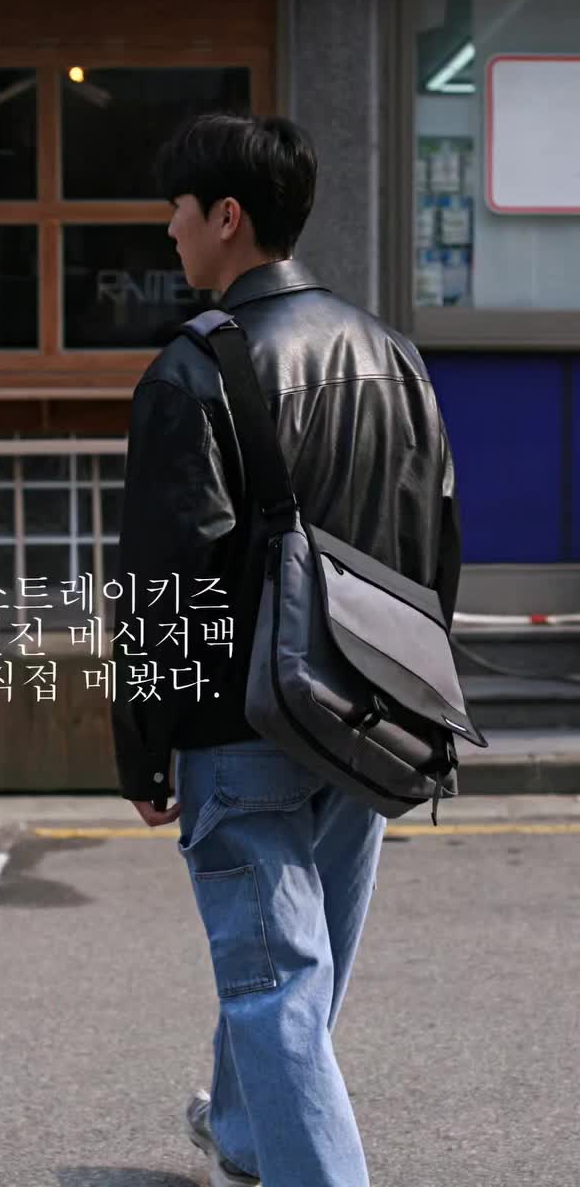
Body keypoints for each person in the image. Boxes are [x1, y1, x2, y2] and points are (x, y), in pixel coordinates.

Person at [110, 113, 461, 1187]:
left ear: (228, 217)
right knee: (300, 973)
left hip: (240, 720)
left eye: (179, 208)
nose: (170, 229)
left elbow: (165, 582)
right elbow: (436, 539)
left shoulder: (196, 369)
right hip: (364, 710)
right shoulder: (391, 353)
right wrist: (416, 697)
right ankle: (249, 1137)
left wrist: (144, 746)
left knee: (275, 981)